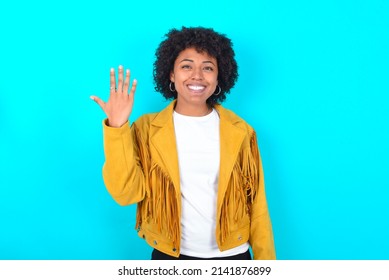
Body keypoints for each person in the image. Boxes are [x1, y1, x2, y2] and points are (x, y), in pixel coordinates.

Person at [91, 26, 276, 260]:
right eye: (186, 66)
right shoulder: (146, 129)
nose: (197, 75)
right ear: (171, 73)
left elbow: (257, 207)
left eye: (207, 68)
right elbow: (126, 194)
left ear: (219, 77)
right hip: (170, 257)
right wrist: (117, 128)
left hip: (234, 257)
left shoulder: (240, 131)